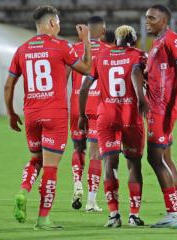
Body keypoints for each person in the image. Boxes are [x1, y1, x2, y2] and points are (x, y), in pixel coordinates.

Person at [4, 5, 92, 230]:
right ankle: (43, 219)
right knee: (51, 168)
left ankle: (24, 190)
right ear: (52, 23)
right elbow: (86, 68)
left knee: (36, 160)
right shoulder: (62, 46)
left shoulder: (22, 50)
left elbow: (8, 85)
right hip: (55, 115)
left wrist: (11, 113)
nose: (59, 26)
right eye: (59, 22)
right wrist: (86, 40)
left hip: (31, 114)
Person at [79, 25, 148, 227]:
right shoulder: (138, 55)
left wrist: (83, 116)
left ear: (116, 40)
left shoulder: (101, 57)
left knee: (110, 163)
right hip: (130, 115)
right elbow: (137, 73)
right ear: (133, 41)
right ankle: (134, 215)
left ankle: (113, 215)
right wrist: (141, 97)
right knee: (134, 164)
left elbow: (84, 88)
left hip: (106, 116)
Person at [144, 4, 177, 228]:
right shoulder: (157, 43)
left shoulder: (172, 38)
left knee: (155, 159)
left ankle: (175, 213)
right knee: (166, 159)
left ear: (164, 20)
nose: (147, 22)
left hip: (161, 109)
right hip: (159, 107)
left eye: (152, 18)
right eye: (146, 18)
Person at [69, 16, 109, 212]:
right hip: (97, 106)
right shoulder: (108, 52)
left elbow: (63, 78)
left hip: (77, 104)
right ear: (103, 32)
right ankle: (91, 202)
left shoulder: (74, 49)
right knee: (96, 154)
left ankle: (77, 183)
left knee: (78, 148)